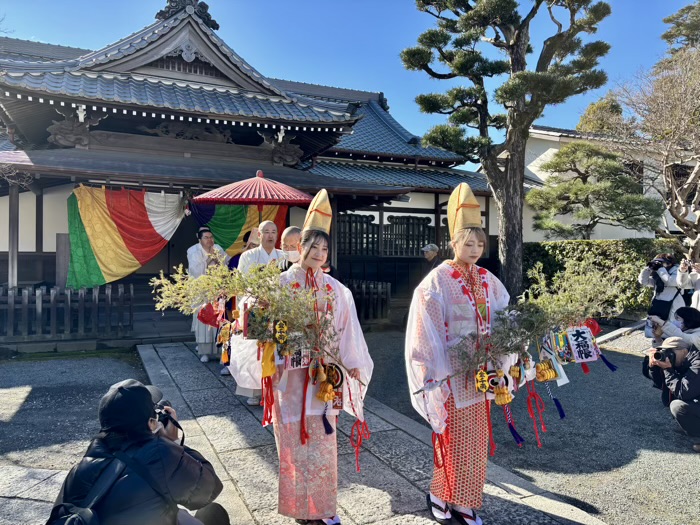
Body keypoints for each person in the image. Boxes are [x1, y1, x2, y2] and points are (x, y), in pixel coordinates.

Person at [231, 190, 374, 525]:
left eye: (324, 249)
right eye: (313, 247)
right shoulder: (279, 284)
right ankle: (299, 508)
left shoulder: (336, 289)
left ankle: (324, 508)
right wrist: (255, 313)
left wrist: (351, 363)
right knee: (293, 443)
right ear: (299, 248)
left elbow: (347, 329)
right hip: (289, 377)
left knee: (324, 443)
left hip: (323, 375)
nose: (319, 253)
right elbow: (253, 321)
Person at [405, 183, 512, 525]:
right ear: (453, 243)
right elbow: (427, 330)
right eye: (468, 243)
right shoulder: (436, 281)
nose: (476, 249)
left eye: (480, 243)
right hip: (451, 375)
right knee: (450, 437)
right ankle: (439, 492)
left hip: (479, 376)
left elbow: (504, 317)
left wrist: (508, 349)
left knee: (476, 441)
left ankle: (466, 499)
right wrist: (433, 373)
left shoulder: (488, 279)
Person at [49, 379, 227, 525]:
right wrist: (172, 442)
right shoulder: (160, 453)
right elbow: (209, 490)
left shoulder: (78, 470)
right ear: (151, 423)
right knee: (212, 513)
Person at [233, 220, 285, 405]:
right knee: (256, 350)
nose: (270, 235)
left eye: (273, 231)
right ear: (259, 235)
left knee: (278, 347)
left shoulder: (283, 256)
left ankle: (276, 389)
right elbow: (243, 282)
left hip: (278, 307)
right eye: (266, 232)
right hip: (256, 306)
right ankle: (256, 392)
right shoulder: (248, 256)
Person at [646, 338, 700, 453]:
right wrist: (653, 367)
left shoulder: (697, 363)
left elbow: (683, 392)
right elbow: (661, 383)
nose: (667, 356)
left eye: (670, 352)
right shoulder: (682, 360)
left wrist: (668, 370)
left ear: (684, 351)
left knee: (678, 406)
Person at [187, 227, 230, 363]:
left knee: (219, 318)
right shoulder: (193, 251)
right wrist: (207, 261)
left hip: (217, 289)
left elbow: (226, 264)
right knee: (203, 321)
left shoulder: (218, 248)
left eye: (211, 237)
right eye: (206, 237)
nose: (209, 240)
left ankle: (219, 351)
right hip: (202, 290)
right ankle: (204, 351)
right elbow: (194, 271)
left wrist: (219, 261)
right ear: (200, 239)